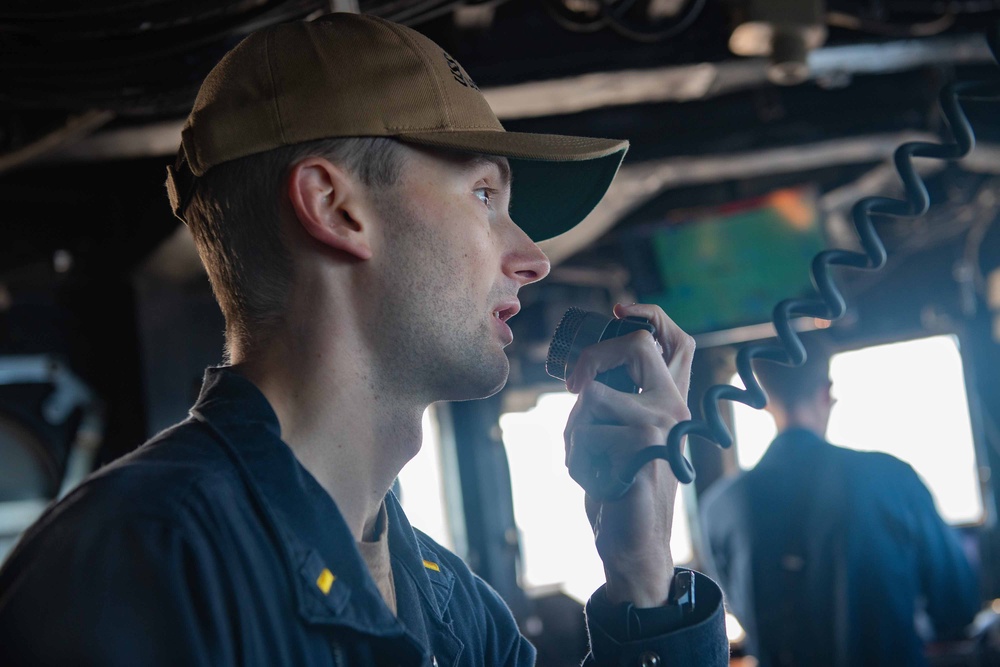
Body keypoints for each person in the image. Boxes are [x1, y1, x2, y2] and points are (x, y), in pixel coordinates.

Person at [0, 12, 728, 666]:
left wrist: (642, 579)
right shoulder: (138, 564)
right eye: (484, 196)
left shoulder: (456, 609)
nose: (534, 258)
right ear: (334, 206)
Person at [699, 335, 980, 667]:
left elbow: (738, 613)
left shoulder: (719, 506)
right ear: (826, 393)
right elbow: (956, 606)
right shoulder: (891, 478)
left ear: (763, 399)